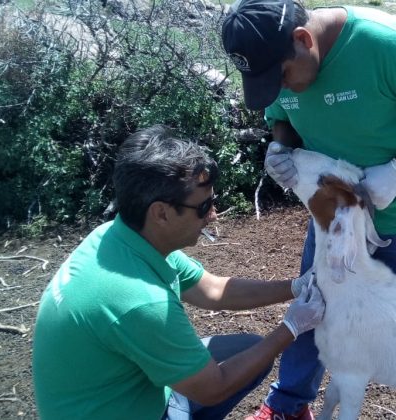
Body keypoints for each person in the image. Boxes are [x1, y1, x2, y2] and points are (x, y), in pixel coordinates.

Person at [222, 0, 396, 419]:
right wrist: (281, 147)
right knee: (314, 301)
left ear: (303, 40)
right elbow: (282, 116)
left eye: (282, 77)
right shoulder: (285, 64)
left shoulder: (385, 45)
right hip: (332, 217)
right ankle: (289, 404)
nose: (283, 88)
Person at [31, 125, 326, 420]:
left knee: (247, 350)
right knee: (234, 368)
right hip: (131, 410)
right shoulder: (141, 302)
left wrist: (296, 287)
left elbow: (212, 289)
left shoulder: (115, 237)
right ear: (161, 213)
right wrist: (290, 328)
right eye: (204, 206)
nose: (213, 215)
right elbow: (213, 388)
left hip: (123, 392)